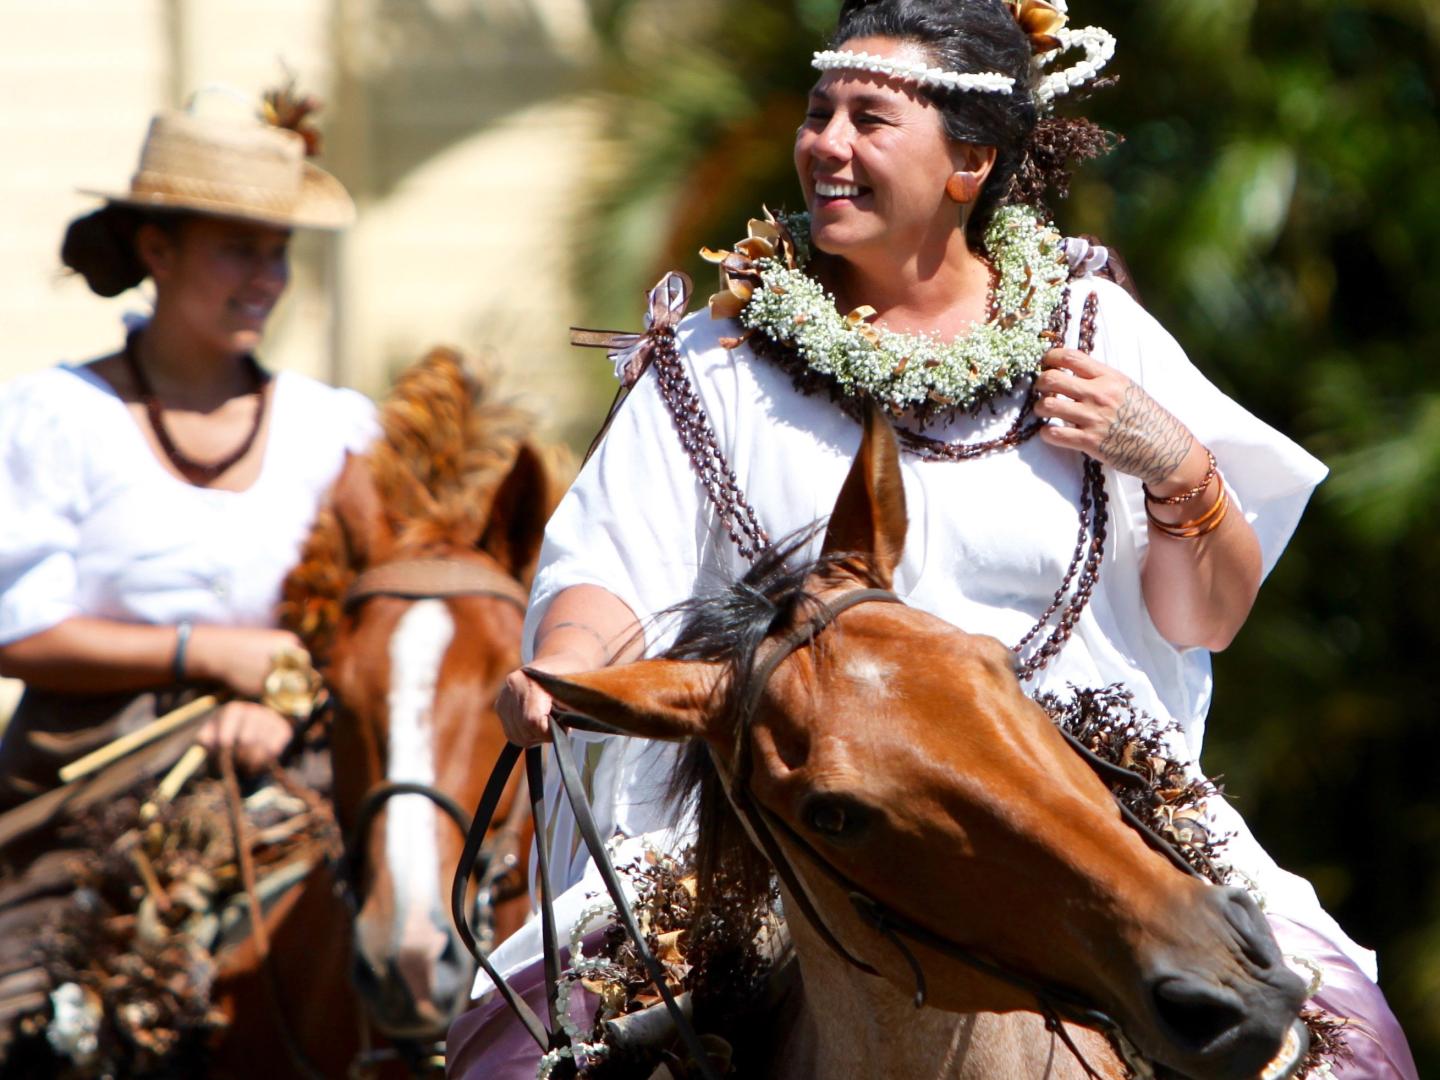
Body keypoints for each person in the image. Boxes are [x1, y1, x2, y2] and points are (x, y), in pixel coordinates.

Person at [453, 1, 1418, 1076]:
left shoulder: (1094, 332)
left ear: (970, 162)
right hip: (795, 818)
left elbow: (1210, 617)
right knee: (519, 1046)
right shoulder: (711, 361)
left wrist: (1178, 466)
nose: (826, 142)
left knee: (1350, 1043)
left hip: (1081, 794)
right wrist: (569, 667)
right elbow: (610, 560)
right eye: (820, 111)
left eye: (870, 118)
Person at [0, 90, 374, 804]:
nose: (266, 279)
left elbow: (384, 612)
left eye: (280, 252)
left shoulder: (336, 429)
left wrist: (281, 700)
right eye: (239, 249)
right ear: (158, 250)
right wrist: (205, 653)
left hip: (296, 766)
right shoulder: (53, 417)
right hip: (84, 784)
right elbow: (16, 630)